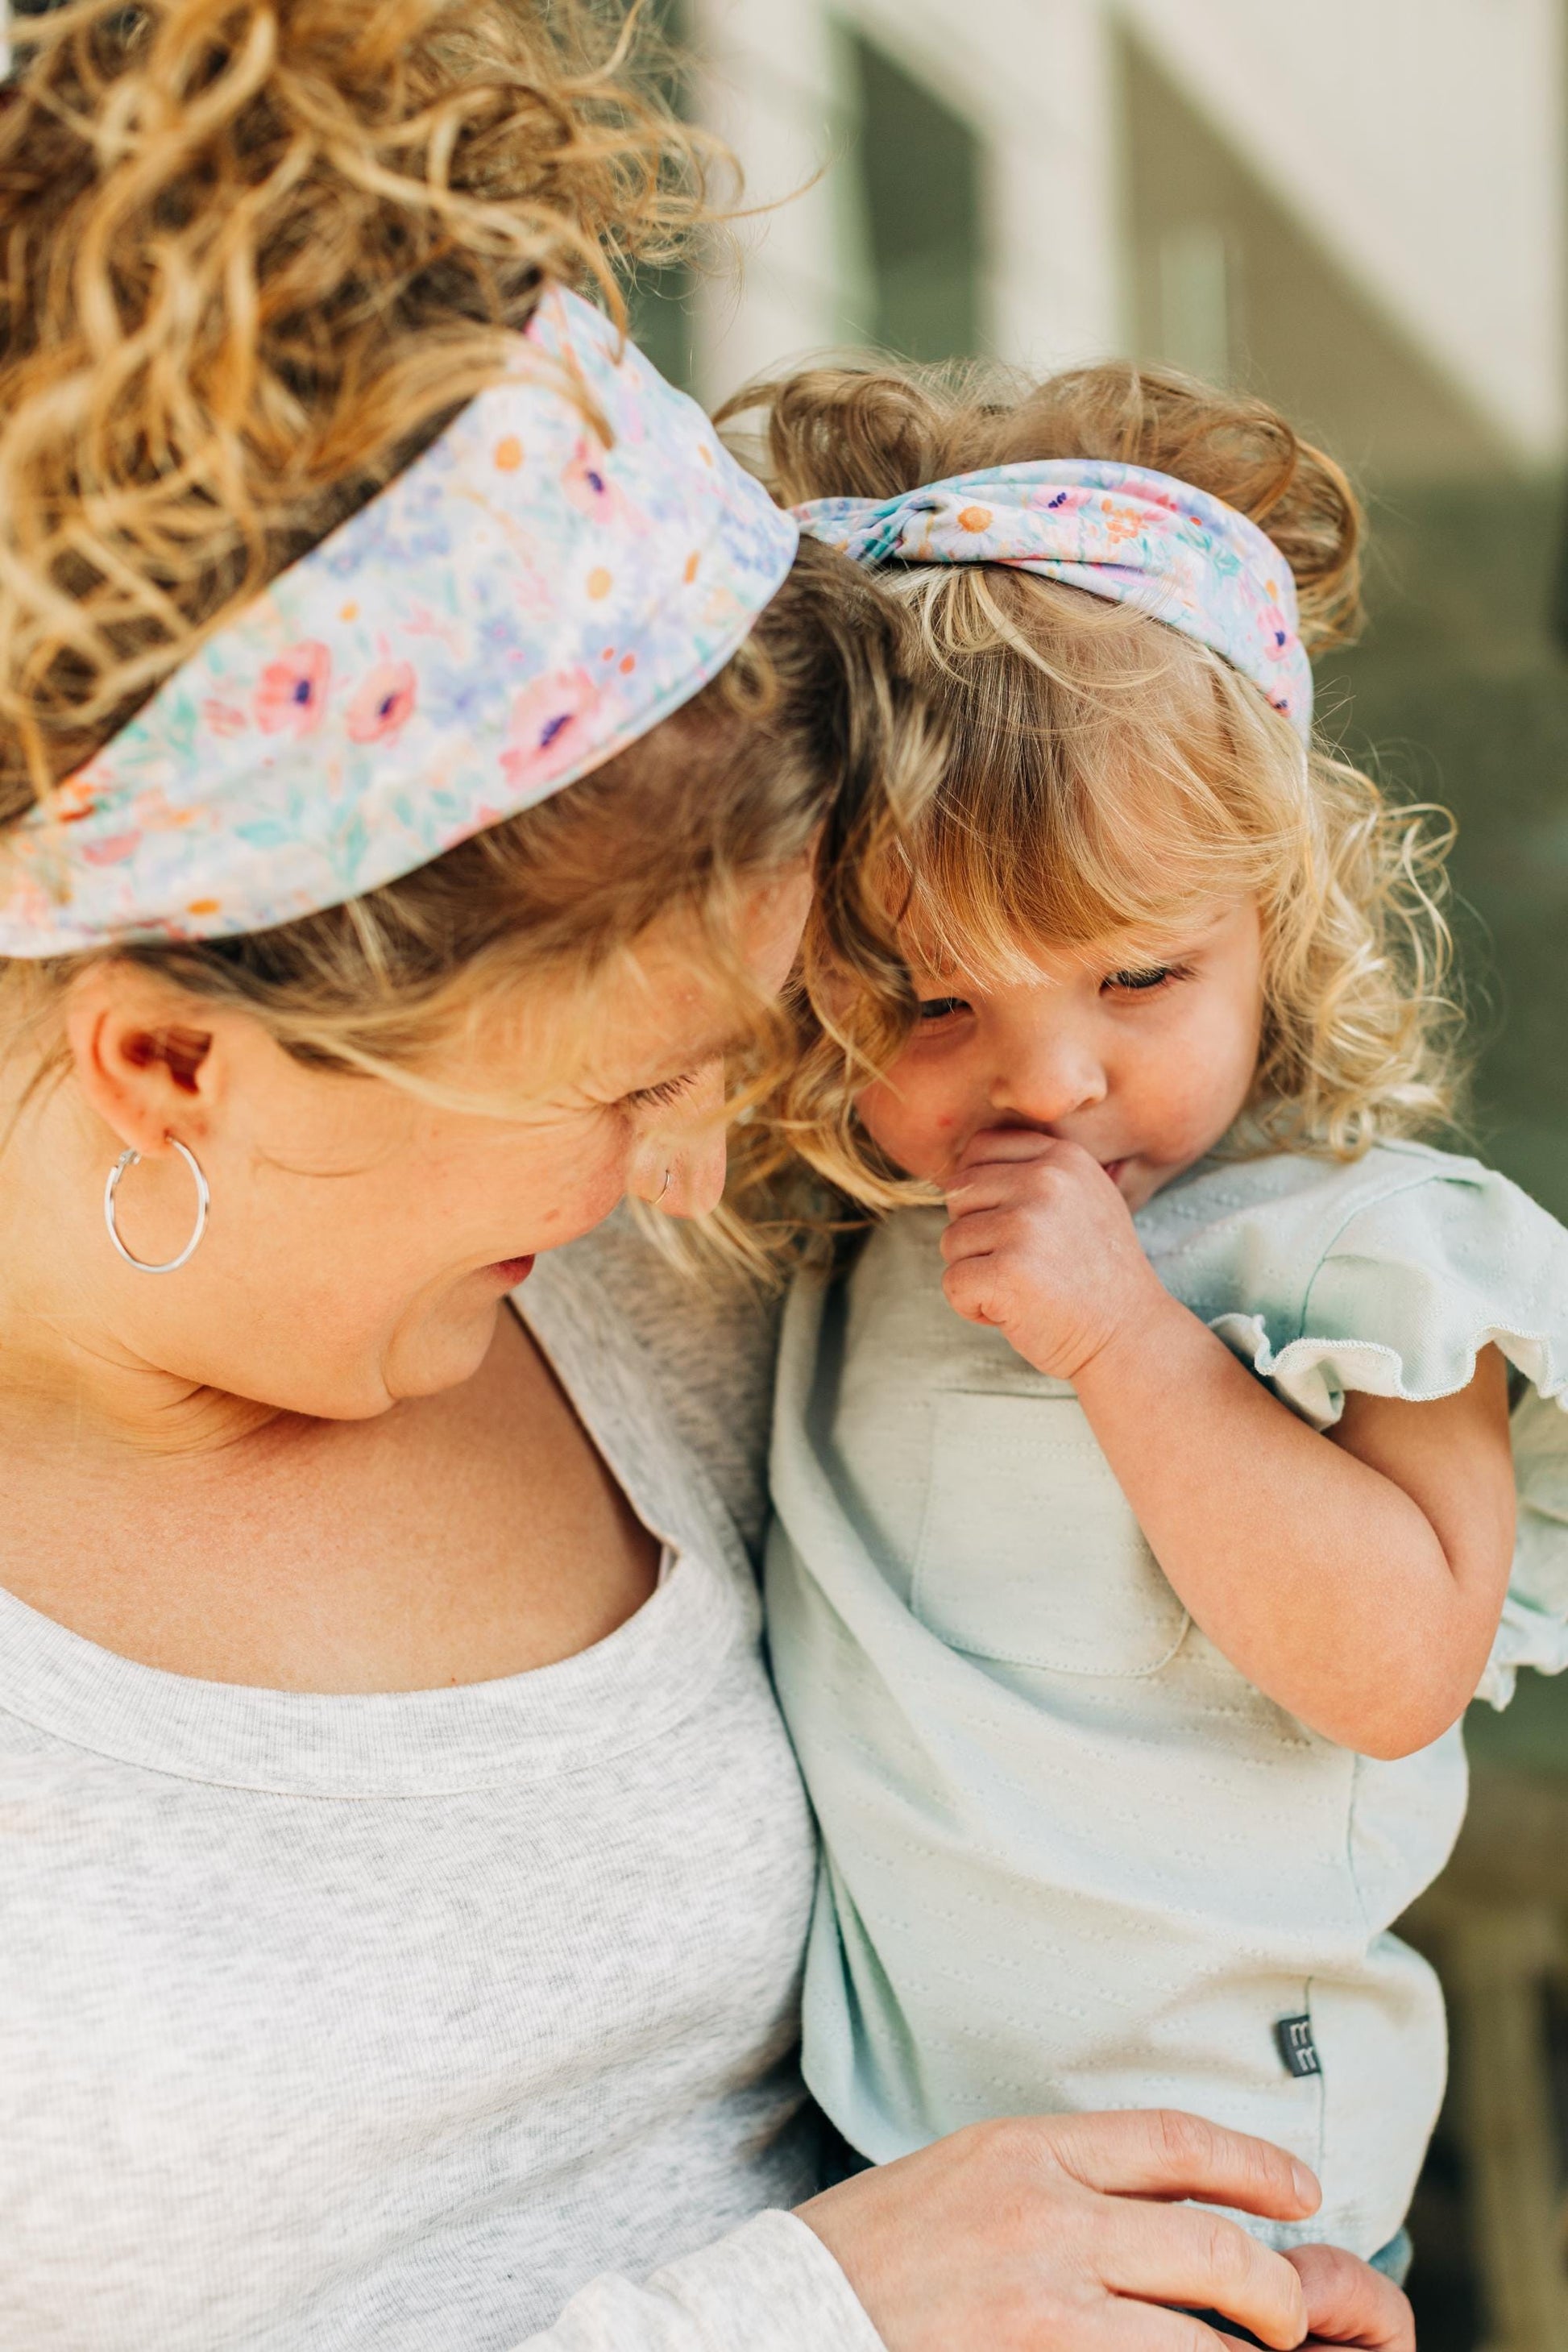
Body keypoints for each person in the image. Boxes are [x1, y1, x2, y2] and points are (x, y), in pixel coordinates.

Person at [0, 4, 1415, 2346]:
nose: (712, 1159)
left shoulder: (674, 1295)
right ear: (171, 1061)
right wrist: (807, 2319)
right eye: (634, 1077)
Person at [742, 355, 1568, 2279]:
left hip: (1208, 2161)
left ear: (1279, 920)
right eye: (934, 1002)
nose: (1052, 1078)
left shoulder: (1358, 1255)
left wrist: (1130, 1344)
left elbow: (1391, 1669)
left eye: (1136, 971)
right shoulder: (847, 1245)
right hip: (877, 2163)